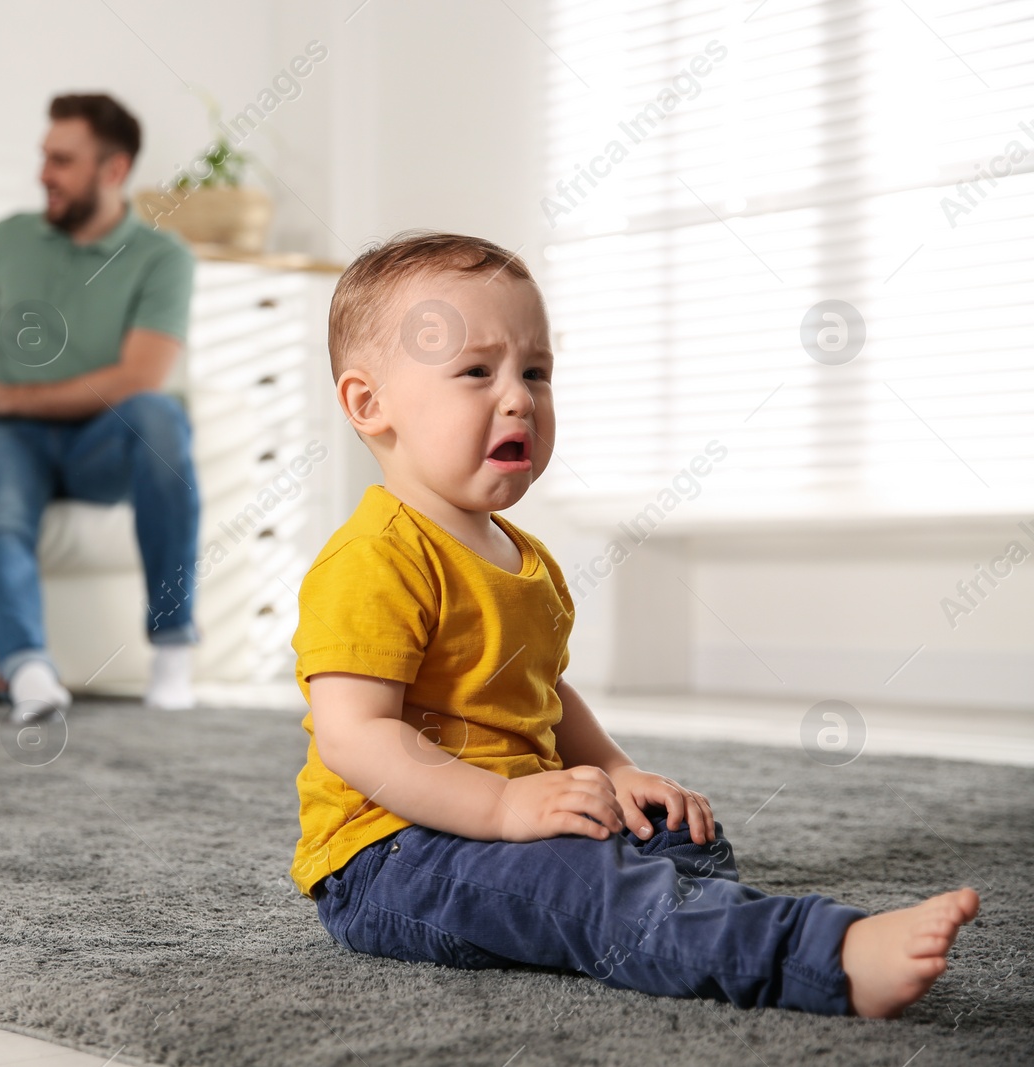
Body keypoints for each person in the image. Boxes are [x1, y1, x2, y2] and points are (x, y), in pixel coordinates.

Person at [290, 231, 980, 1017]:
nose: (517, 396)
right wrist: (504, 809)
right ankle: (827, 955)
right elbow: (355, 737)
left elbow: (543, 690)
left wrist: (616, 772)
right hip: (396, 854)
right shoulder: (373, 557)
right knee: (594, 887)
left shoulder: (527, 556)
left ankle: (663, 914)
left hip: (512, 819)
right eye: (476, 372)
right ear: (368, 403)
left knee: (680, 833)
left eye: (536, 372)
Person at [0, 93, 199, 723]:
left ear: (113, 170)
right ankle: (28, 671)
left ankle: (173, 647)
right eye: (45, 157)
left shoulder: (165, 259)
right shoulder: (11, 236)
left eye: (62, 160)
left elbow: (140, 377)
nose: (44, 173)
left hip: (99, 439)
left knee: (161, 416)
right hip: (10, 437)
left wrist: (1, 393)